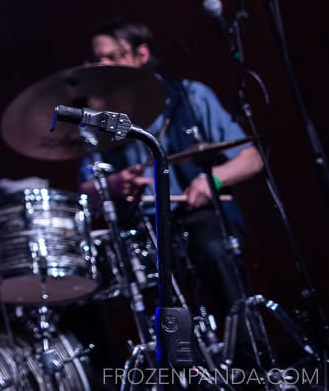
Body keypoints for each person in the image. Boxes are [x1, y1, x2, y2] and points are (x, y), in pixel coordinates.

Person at [76, 19, 264, 327]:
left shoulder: (189, 96)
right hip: (142, 226)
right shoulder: (98, 121)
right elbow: (84, 191)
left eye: (111, 56)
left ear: (141, 55)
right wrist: (109, 184)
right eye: (95, 60)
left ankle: (248, 359)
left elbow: (251, 158)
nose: (102, 65)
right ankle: (180, 369)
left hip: (198, 215)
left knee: (213, 250)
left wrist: (212, 179)